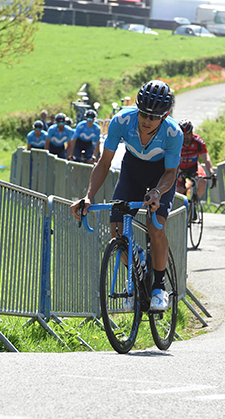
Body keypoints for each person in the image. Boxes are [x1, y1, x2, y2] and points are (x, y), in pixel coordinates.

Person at [71, 80, 183, 312]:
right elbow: (104, 163)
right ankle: (136, 267)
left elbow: (171, 173)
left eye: (154, 116)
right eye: (143, 113)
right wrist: (89, 196)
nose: (146, 120)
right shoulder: (121, 121)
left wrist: (157, 192)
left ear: (166, 115)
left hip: (161, 176)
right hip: (132, 171)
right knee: (117, 231)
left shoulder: (173, 133)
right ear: (136, 107)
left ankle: (159, 288)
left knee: (156, 228)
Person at [176, 119, 216, 200]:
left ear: (192, 133)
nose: (185, 137)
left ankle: (195, 202)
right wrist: (178, 171)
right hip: (179, 168)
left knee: (202, 180)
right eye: (183, 134)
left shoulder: (198, 141)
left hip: (194, 167)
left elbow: (206, 158)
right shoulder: (175, 142)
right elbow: (170, 158)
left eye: (188, 134)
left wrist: (211, 172)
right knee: (178, 191)